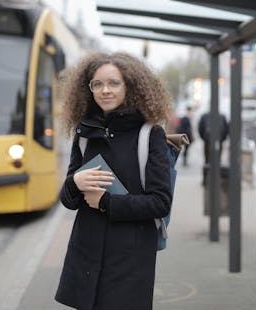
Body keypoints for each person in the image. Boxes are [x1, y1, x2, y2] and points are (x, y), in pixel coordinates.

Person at [55, 52, 172, 310]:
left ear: (130, 86)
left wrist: (107, 202)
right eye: (97, 84)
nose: (105, 90)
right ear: (89, 90)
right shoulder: (84, 133)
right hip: (86, 254)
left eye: (113, 83)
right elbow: (67, 200)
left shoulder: (149, 133)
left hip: (130, 257)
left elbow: (160, 203)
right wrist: (75, 182)